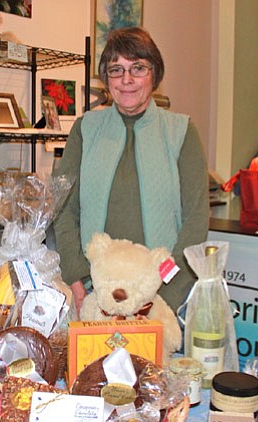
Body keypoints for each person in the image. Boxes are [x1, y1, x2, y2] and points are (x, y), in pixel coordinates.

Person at [53, 27, 209, 315]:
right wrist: (76, 279)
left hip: (161, 297)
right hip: (94, 293)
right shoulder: (85, 130)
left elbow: (196, 221)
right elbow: (63, 209)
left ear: (154, 74)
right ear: (106, 78)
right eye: (116, 69)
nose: (127, 80)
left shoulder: (181, 131)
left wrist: (163, 291)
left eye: (138, 68)